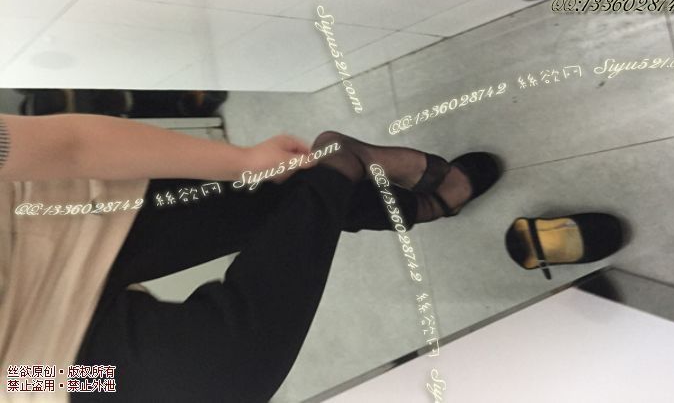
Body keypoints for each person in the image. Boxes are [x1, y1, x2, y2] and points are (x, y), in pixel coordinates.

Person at [0, 113, 500, 402]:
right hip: (30, 366)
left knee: (274, 199)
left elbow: (73, 147)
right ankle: (346, 169)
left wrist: (239, 162)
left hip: (50, 214)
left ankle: (381, 193)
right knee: (217, 379)